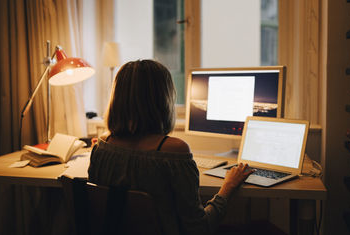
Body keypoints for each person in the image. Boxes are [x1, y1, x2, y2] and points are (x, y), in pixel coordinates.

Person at [88, 59, 254, 235]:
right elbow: (199, 229)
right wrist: (228, 187)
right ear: (163, 100)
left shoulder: (102, 146)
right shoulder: (174, 151)